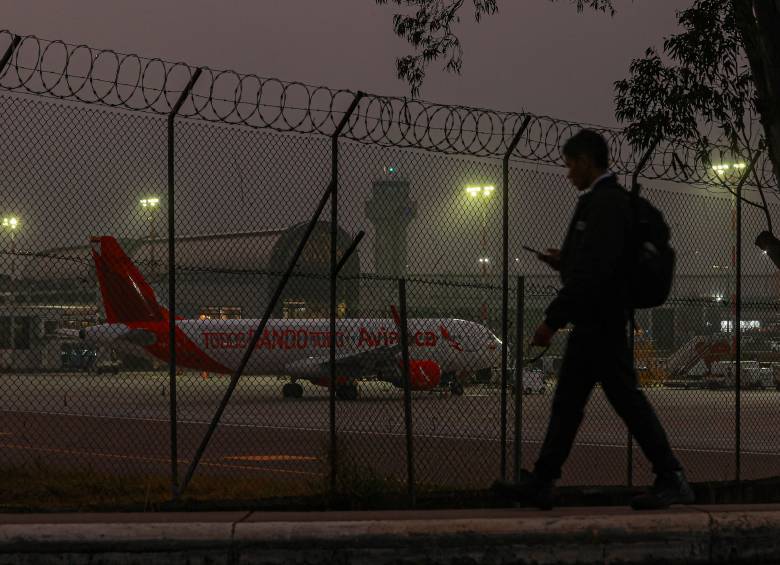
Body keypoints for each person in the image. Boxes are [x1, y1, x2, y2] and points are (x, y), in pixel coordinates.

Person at [520, 129, 693, 511]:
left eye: (570, 166)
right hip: (599, 319)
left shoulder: (605, 205)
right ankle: (543, 480)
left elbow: (595, 273)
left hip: (602, 320)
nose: (568, 175)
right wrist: (564, 262)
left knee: (618, 401)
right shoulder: (604, 203)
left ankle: (671, 476)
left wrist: (551, 320)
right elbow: (597, 265)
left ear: (585, 161)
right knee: (572, 401)